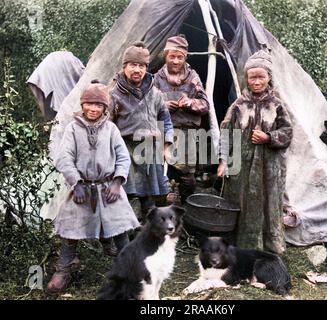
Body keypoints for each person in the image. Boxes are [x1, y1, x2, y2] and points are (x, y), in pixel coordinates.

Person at [47, 80, 140, 293]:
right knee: (71, 231)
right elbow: (64, 158)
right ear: (82, 105)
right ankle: (63, 271)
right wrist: (76, 183)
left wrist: (117, 182)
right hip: (82, 188)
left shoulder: (111, 129)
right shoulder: (72, 129)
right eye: (89, 104)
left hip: (109, 187)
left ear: (105, 108)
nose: (93, 109)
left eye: (98, 105)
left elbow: (123, 158)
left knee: (120, 230)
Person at [217, 50, 293, 255]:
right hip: (242, 166)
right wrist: (223, 161)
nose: (257, 81)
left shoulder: (276, 105)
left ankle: (270, 248)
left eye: (261, 77)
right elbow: (226, 134)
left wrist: (268, 138)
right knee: (242, 204)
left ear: (269, 77)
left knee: (269, 203)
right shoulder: (238, 105)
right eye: (252, 77)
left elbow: (288, 132)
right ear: (247, 78)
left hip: (270, 167)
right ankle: (243, 248)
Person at [110, 42, 174, 219]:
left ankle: (149, 234)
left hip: (150, 151)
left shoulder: (155, 93)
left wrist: (166, 145)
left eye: (141, 66)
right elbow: (107, 128)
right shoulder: (114, 95)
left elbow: (166, 119)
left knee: (151, 198)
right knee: (128, 196)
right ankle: (127, 235)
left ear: (146, 67)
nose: (137, 70)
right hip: (126, 151)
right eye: (132, 65)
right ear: (124, 67)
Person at [154, 35, 209, 203]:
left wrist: (190, 103)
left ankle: (185, 208)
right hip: (162, 132)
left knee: (187, 179)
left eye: (180, 57)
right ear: (166, 56)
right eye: (172, 56)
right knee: (159, 171)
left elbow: (205, 105)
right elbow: (146, 105)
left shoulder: (193, 78)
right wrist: (163, 105)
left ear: (185, 57)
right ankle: (161, 208)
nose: (176, 61)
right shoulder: (157, 78)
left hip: (187, 134)